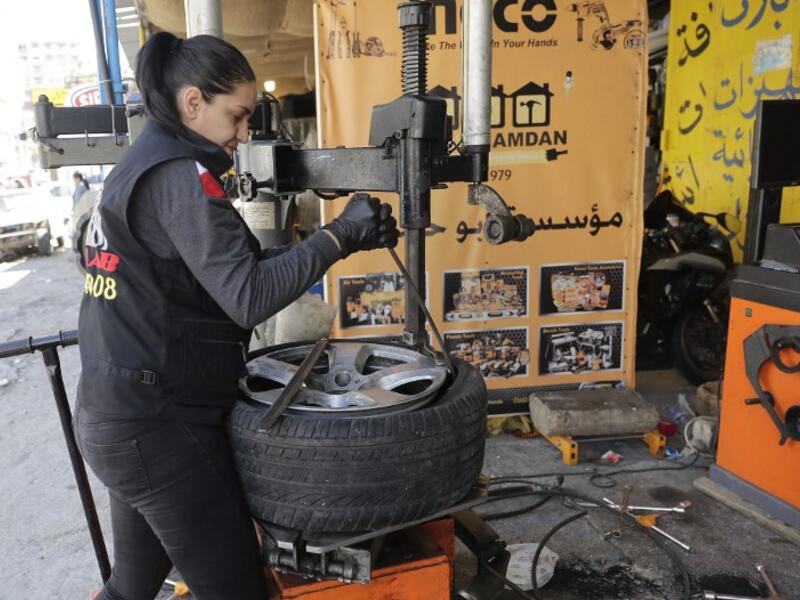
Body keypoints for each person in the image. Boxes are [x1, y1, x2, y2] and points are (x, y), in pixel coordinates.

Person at [75, 32, 398, 600]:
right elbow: (246, 296)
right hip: (157, 426)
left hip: (117, 412)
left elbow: (219, 275)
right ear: (193, 102)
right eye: (238, 117)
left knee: (132, 586)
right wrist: (339, 234)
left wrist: (334, 242)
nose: (244, 134)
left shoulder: (139, 164)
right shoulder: (178, 176)